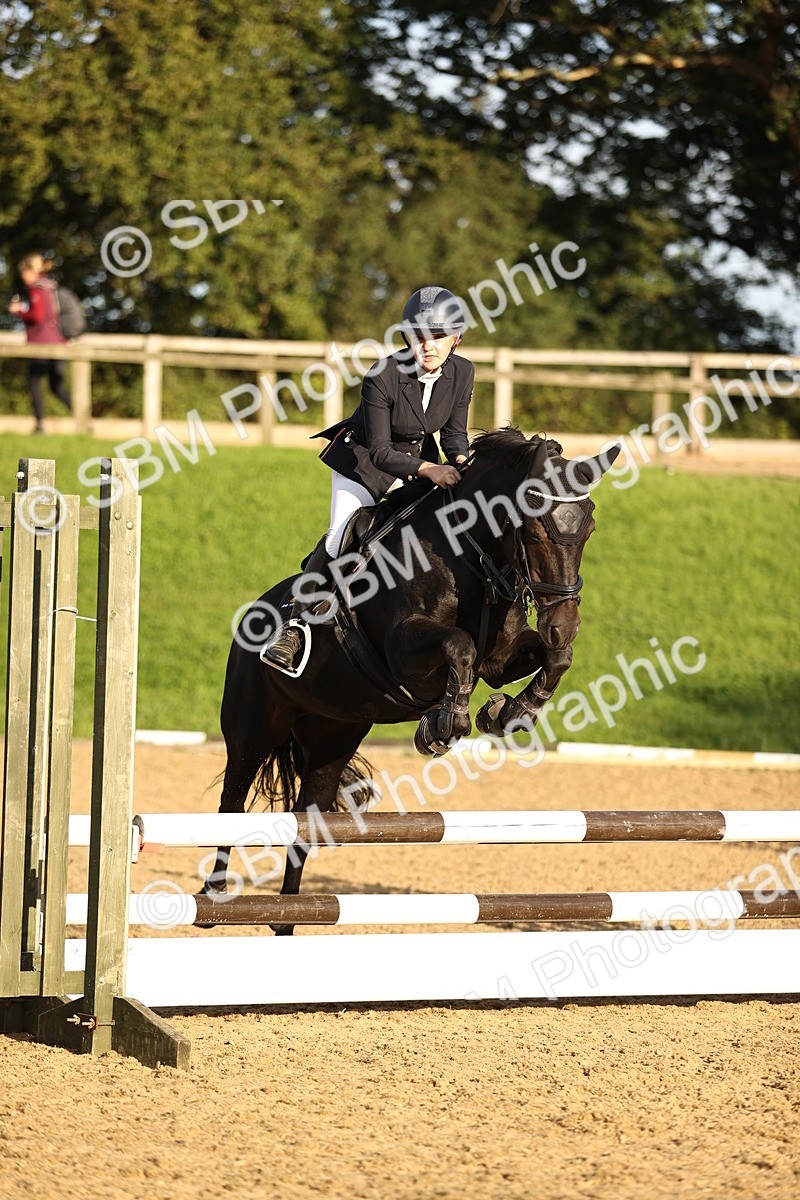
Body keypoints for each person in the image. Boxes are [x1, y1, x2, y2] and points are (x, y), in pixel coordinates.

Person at [263, 285, 474, 670]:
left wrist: (462, 460)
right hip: (364, 461)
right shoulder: (383, 375)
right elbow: (379, 451)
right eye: (419, 336)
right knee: (339, 536)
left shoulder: (462, 372)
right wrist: (430, 470)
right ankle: (293, 626)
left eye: (438, 337)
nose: (428, 346)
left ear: (456, 338)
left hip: (418, 463)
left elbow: (453, 436)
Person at [7, 253, 72, 433]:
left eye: (24, 272)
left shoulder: (37, 289)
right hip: (58, 342)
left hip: (42, 344)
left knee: (34, 382)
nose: (22, 277)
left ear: (31, 271)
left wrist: (19, 311)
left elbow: (37, 316)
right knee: (57, 386)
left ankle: (40, 424)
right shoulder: (50, 287)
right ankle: (85, 419)